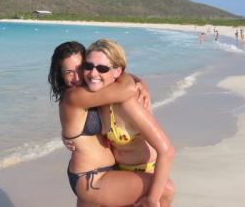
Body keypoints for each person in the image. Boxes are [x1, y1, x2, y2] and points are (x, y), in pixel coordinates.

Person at [49, 41, 174, 207]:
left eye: (81, 68)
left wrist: (139, 81)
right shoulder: (73, 96)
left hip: (106, 172)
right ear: (60, 75)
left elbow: (111, 77)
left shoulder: (96, 93)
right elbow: (126, 89)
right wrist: (136, 82)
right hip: (92, 177)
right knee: (164, 190)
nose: (78, 77)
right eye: (69, 72)